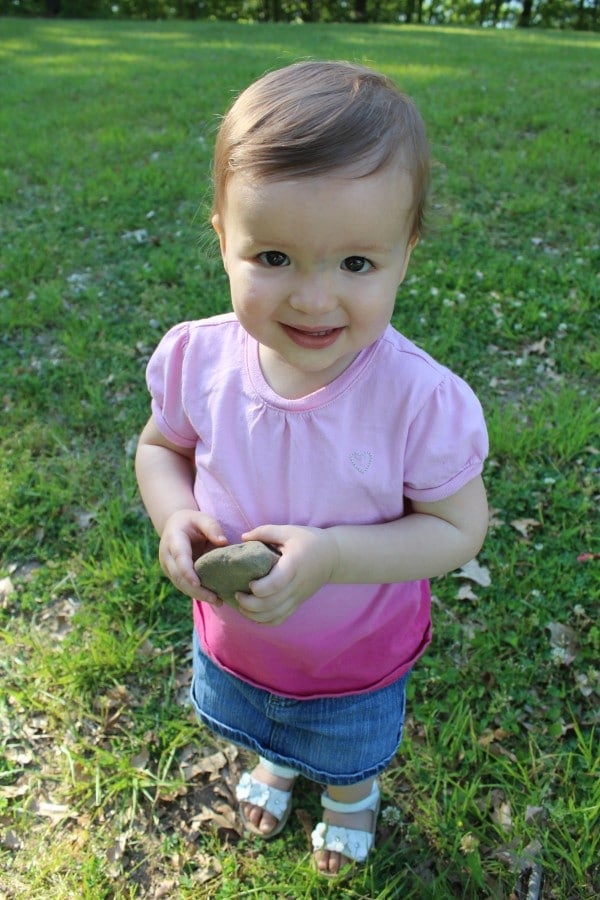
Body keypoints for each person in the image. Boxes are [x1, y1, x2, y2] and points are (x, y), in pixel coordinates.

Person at [135, 60, 489, 878]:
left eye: (355, 265)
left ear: (406, 253)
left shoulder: (419, 401)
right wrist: (172, 514)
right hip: (238, 638)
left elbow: (459, 527)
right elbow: (160, 449)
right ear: (222, 236)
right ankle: (275, 760)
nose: (313, 299)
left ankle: (348, 797)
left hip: (353, 657)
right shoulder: (198, 360)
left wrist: (331, 557)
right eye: (275, 257)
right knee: (260, 722)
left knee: (347, 744)